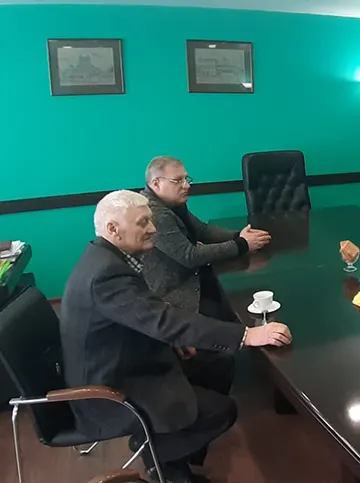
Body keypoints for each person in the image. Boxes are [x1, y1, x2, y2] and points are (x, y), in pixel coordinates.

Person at [60, 190, 291, 483]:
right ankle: (159, 457)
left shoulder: (107, 258)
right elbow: (164, 319)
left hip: (124, 358)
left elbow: (142, 315)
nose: (153, 229)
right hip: (108, 388)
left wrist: (169, 339)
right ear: (113, 229)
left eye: (151, 221)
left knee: (219, 363)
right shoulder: (107, 275)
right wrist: (247, 334)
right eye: (143, 223)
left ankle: (177, 449)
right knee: (222, 411)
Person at [141, 155, 271, 318]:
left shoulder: (171, 203)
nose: (186, 185)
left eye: (186, 179)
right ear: (156, 183)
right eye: (178, 180)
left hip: (194, 276)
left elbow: (203, 230)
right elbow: (189, 256)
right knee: (237, 311)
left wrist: (238, 236)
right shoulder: (154, 213)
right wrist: (242, 244)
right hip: (177, 293)